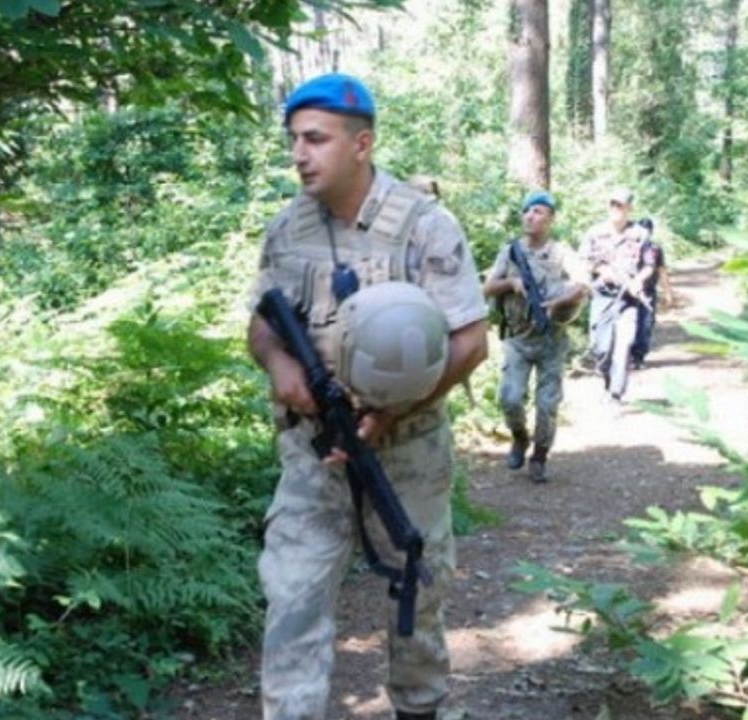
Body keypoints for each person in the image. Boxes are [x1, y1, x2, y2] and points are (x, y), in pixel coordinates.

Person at [246, 73, 488, 720]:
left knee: (417, 594)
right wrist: (278, 366)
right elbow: (263, 325)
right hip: (311, 454)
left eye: (316, 139)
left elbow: (470, 341)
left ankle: (419, 708)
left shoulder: (424, 227)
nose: (299, 153)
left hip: (406, 453)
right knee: (292, 598)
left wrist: (391, 412)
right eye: (295, 139)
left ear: (362, 143)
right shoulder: (287, 229)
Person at [483, 191, 587, 483]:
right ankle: (519, 437)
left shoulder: (562, 251)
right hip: (517, 338)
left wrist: (558, 302)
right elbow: (487, 287)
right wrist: (512, 282)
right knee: (510, 397)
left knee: (547, 404)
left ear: (551, 218)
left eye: (539, 211)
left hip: (551, 339)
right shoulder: (511, 251)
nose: (531, 216)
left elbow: (582, 286)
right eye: (528, 211)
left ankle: (540, 455)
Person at [582, 187, 651, 406]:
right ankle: (607, 378)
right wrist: (604, 272)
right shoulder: (595, 232)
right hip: (602, 296)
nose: (616, 209)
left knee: (623, 346)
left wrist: (638, 280)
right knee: (601, 348)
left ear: (629, 208)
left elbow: (649, 264)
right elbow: (584, 261)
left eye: (620, 205)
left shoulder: (641, 234)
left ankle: (615, 393)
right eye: (613, 204)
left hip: (628, 301)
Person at [629, 217, 675, 369]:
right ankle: (628, 355)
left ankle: (638, 356)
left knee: (645, 324)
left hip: (647, 291)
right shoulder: (626, 246)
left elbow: (661, 271)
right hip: (628, 292)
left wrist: (668, 293)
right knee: (632, 324)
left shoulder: (654, 249)